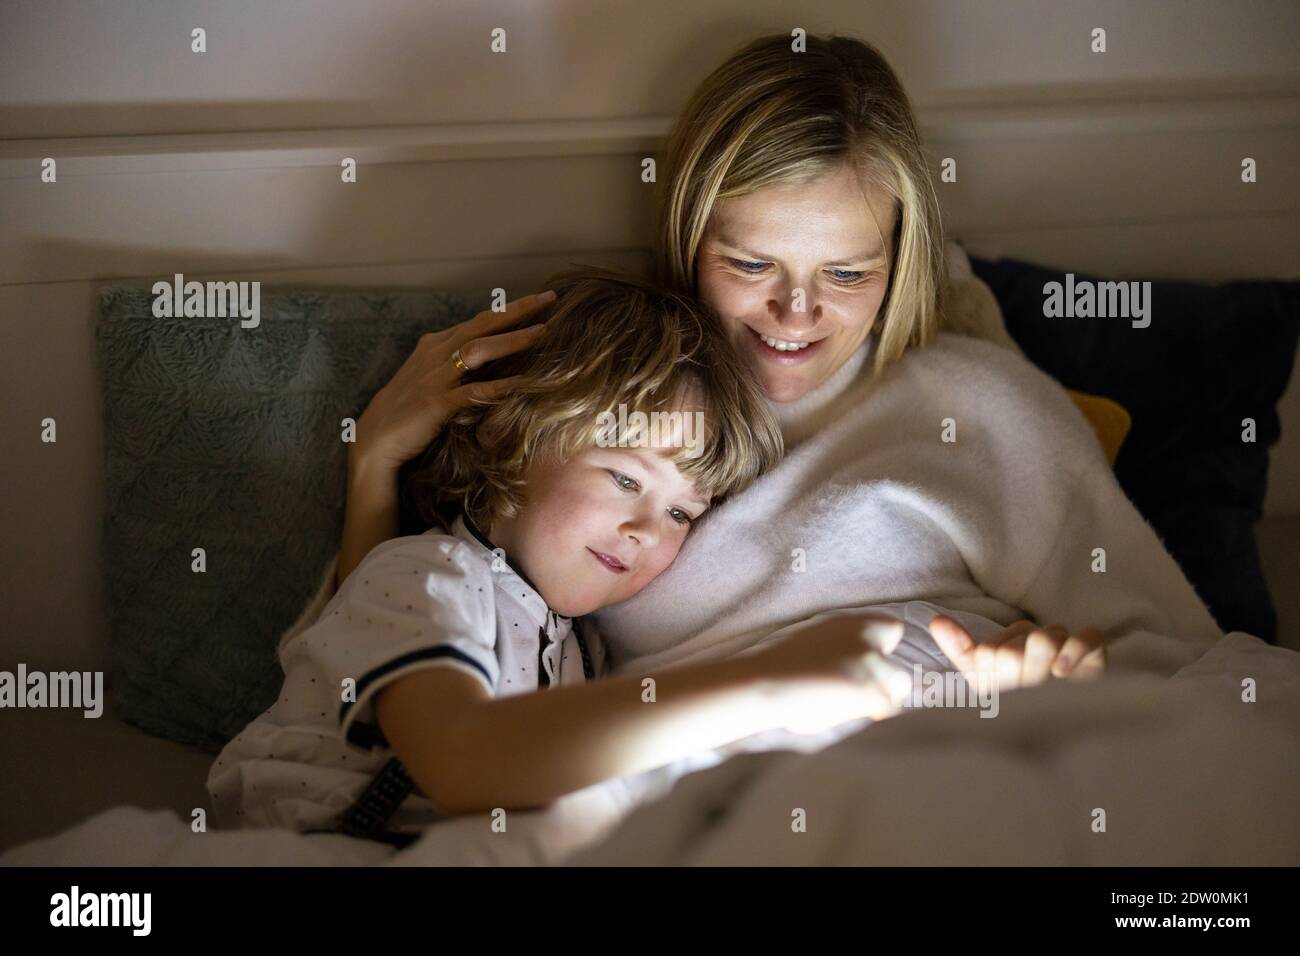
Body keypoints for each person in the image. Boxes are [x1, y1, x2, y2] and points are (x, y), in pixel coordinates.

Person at [330, 34, 1220, 753]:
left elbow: (1174, 657)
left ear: (898, 261)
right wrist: (374, 464)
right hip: (725, 778)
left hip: (968, 741)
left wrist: (1056, 670)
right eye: (751, 263)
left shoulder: (981, 406)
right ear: (685, 234)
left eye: (847, 270)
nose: (797, 312)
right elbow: (404, 637)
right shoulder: (600, 396)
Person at [207, 267, 919, 844]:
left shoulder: (580, 644)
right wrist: (769, 684)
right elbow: (462, 758)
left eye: (681, 512)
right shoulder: (426, 576)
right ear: (505, 438)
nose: (648, 529)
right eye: (624, 478)